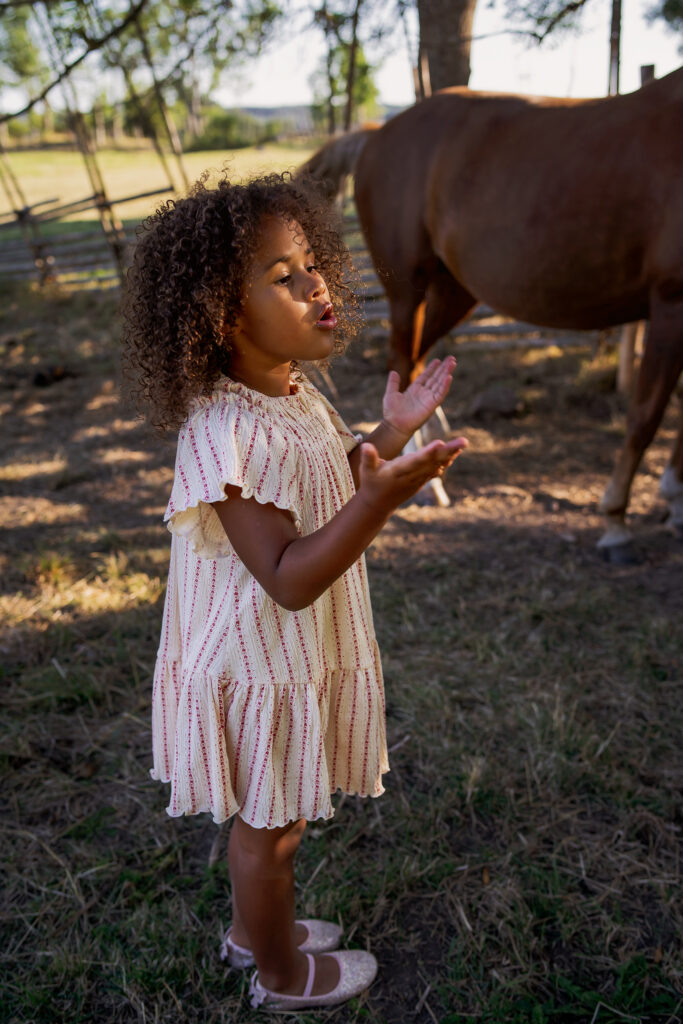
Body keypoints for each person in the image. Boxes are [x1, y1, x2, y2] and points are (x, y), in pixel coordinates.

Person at [121, 171, 467, 1011]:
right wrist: (382, 499)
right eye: (284, 275)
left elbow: (327, 477)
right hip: (257, 659)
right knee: (269, 833)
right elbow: (285, 579)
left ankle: (254, 934)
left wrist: (389, 436)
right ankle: (276, 973)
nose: (317, 284)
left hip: (287, 655)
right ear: (220, 314)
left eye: (312, 263)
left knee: (283, 820)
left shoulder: (288, 391)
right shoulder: (225, 430)